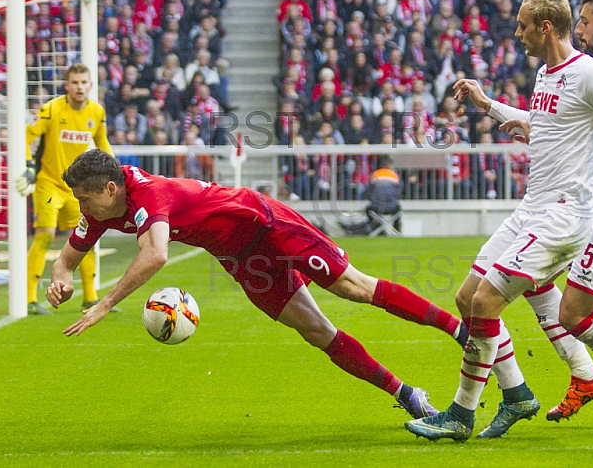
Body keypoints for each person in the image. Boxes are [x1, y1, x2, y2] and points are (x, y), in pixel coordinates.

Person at [404, 0, 593, 442]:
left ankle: (462, 411)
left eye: (522, 26)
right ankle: (523, 390)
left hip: (571, 214)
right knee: (468, 298)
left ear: (544, 28)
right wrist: (488, 104)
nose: (516, 34)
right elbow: (552, 124)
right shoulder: (545, 73)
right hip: (533, 208)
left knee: (497, 304)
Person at [45, 149, 471, 420]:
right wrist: (59, 283)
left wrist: (103, 304)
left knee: (352, 288)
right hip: (241, 258)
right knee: (317, 332)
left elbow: (156, 254)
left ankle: (461, 330)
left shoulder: (150, 194)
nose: (81, 207)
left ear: (109, 187)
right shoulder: (100, 211)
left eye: (84, 198)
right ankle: (408, 395)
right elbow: (65, 261)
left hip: (264, 222)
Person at [16, 63, 117, 316]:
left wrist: (116, 171)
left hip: (77, 190)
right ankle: (29, 299)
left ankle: (90, 298)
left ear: (90, 85)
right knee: (46, 235)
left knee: (88, 236)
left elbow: (103, 143)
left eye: (84, 82)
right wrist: (28, 165)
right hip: (49, 184)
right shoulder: (50, 110)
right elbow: (25, 137)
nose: (80, 87)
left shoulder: (97, 112)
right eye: (75, 82)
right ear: (67, 86)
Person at [340, 156, 402, 236]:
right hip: (392, 207)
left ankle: (376, 229)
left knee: (368, 209)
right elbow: (398, 194)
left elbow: (369, 193)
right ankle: (396, 231)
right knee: (398, 209)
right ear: (390, 165)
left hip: (376, 207)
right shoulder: (394, 176)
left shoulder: (375, 175)